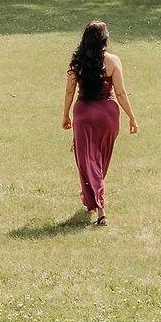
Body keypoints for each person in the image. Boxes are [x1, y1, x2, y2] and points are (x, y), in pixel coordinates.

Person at [61, 20, 136, 225]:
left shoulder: (77, 62)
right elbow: (120, 93)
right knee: (100, 159)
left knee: (87, 160)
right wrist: (131, 116)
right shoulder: (113, 61)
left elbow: (69, 91)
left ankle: (100, 207)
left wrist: (65, 114)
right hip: (108, 115)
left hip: (84, 115)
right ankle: (92, 197)